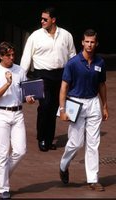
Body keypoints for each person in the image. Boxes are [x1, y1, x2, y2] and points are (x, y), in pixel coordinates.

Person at [20, 6, 76, 151]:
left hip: (60, 75)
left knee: (53, 107)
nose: (42, 21)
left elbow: (72, 56)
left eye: (45, 19)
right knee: (44, 106)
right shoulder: (35, 36)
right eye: (41, 18)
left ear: (53, 20)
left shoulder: (66, 35)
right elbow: (26, 58)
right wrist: (21, 79)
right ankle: (42, 138)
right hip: (42, 75)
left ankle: (49, 139)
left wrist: (74, 76)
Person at [59, 29, 109, 191]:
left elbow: (102, 85)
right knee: (76, 142)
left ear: (96, 43)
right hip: (75, 103)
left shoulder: (100, 63)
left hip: (93, 102)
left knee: (93, 143)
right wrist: (62, 109)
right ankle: (63, 165)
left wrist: (105, 106)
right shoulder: (72, 63)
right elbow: (64, 87)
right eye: (87, 41)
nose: (89, 45)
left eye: (92, 42)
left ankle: (92, 179)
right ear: (82, 43)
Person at [0, 42, 35, 199]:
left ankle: (2, 174)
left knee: (20, 150)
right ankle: (3, 188)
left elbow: (24, 91)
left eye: (13, 55)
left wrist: (28, 97)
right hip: (1, 115)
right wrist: (7, 83)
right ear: (1, 56)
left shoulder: (20, 70)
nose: (12, 58)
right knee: (2, 153)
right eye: (8, 55)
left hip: (17, 114)